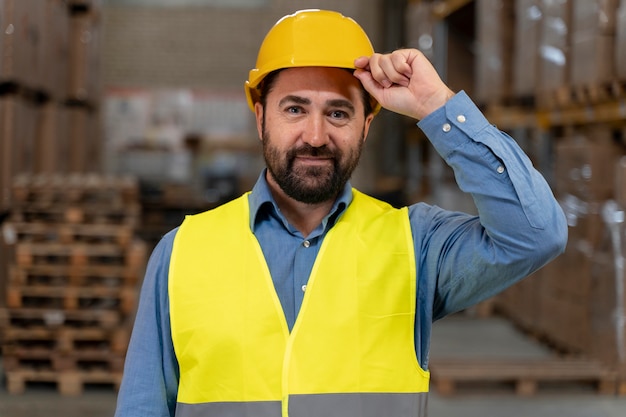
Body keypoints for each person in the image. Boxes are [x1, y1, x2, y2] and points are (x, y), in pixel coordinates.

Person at [114, 9, 567, 417]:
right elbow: (142, 407)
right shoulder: (182, 254)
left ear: (366, 124)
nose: (315, 135)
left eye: (338, 113)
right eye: (295, 109)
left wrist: (437, 106)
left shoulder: (415, 246)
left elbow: (535, 233)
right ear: (260, 117)